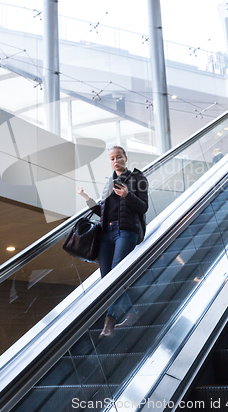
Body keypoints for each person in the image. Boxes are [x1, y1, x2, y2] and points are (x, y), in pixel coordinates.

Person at [77, 145, 148, 338]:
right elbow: (102, 212)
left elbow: (143, 207)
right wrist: (86, 198)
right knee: (106, 279)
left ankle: (109, 322)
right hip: (106, 233)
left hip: (125, 231)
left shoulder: (137, 178)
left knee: (116, 273)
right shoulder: (109, 183)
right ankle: (132, 312)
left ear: (126, 157)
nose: (115, 161)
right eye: (112, 158)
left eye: (119, 157)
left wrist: (127, 195)